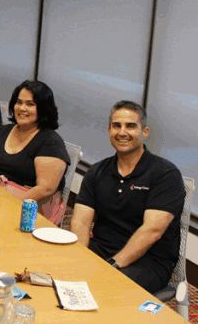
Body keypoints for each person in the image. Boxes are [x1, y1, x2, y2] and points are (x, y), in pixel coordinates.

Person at [70, 101, 186, 294]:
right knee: (57, 265)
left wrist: (113, 265)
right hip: (102, 249)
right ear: (109, 130)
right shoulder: (97, 171)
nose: (122, 132)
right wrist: (80, 257)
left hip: (148, 262)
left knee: (106, 287)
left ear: (145, 132)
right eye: (117, 126)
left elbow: (152, 231)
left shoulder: (165, 174)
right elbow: (80, 222)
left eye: (131, 126)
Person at [0, 80, 71, 224]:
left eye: (30, 104)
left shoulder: (51, 142)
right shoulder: (3, 131)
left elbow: (45, 189)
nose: (22, 108)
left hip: (27, 210)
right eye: (19, 102)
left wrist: (7, 204)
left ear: (44, 108)